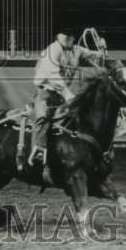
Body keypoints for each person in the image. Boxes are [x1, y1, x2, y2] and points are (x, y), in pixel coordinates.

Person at [29, 27, 106, 166]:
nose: (68, 39)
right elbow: (52, 76)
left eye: (70, 36)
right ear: (58, 36)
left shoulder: (77, 50)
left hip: (62, 95)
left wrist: (102, 50)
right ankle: (38, 151)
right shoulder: (52, 50)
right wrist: (68, 95)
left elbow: (94, 56)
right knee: (43, 117)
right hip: (47, 92)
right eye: (65, 36)